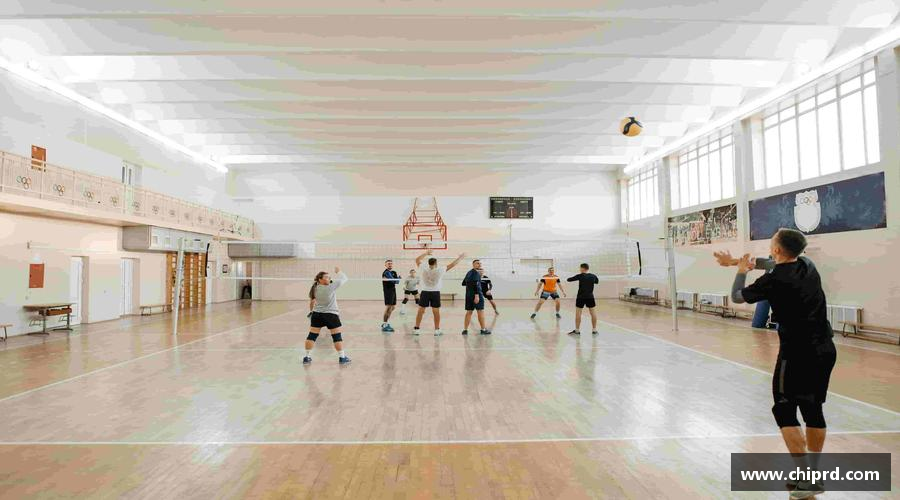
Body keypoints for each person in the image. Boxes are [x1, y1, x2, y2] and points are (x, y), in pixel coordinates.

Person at [714, 228, 836, 499]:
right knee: (813, 409)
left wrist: (740, 271)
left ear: (777, 249)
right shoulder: (807, 265)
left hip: (796, 352)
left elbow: (737, 296)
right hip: (825, 348)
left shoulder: (773, 280)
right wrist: (735, 261)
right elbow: (770, 263)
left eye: (772, 243)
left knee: (784, 409)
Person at [303, 267, 351, 365]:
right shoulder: (331, 287)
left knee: (312, 336)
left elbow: (312, 301)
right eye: (326, 277)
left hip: (317, 315)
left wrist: (311, 312)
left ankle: (307, 357)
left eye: (329, 277)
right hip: (331, 315)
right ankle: (342, 358)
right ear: (320, 279)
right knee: (337, 337)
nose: (329, 278)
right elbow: (345, 278)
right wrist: (339, 271)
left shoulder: (315, 288)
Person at [414, 249, 465, 336]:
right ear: (436, 263)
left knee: (421, 311)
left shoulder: (423, 268)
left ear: (428, 263)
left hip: (425, 292)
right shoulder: (440, 269)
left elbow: (417, 260)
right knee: (436, 311)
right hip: (435, 293)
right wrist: (460, 257)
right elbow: (453, 264)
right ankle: (437, 330)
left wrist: (426, 253)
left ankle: (416, 329)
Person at [566, 263, 600, 335]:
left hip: (581, 297)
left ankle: (577, 330)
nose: (579, 269)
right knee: (593, 312)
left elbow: (568, 279)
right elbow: (597, 282)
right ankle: (594, 330)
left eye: (580, 268)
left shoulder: (580, 276)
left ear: (582, 268)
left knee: (578, 313)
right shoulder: (593, 276)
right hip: (590, 297)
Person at [461, 259, 489, 335]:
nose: (479, 264)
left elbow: (463, 283)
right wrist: (476, 295)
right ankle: (483, 329)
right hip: (477, 295)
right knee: (480, 311)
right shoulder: (476, 273)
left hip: (468, 295)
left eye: (480, 263)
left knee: (469, 312)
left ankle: (465, 330)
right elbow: (475, 284)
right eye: (477, 263)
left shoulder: (469, 273)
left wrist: (471, 286)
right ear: (473, 265)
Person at [381, 259, 400, 332]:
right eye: (388, 263)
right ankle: (385, 324)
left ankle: (386, 322)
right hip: (388, 291)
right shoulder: (386, 272)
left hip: (393, 291)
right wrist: (398, 278)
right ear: (385, 265)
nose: (390, 265)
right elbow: (394, 281)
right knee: (388, 307)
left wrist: (397, 279)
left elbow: (397, 282)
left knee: (393, 307)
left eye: (391, 263)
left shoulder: (394, 272)